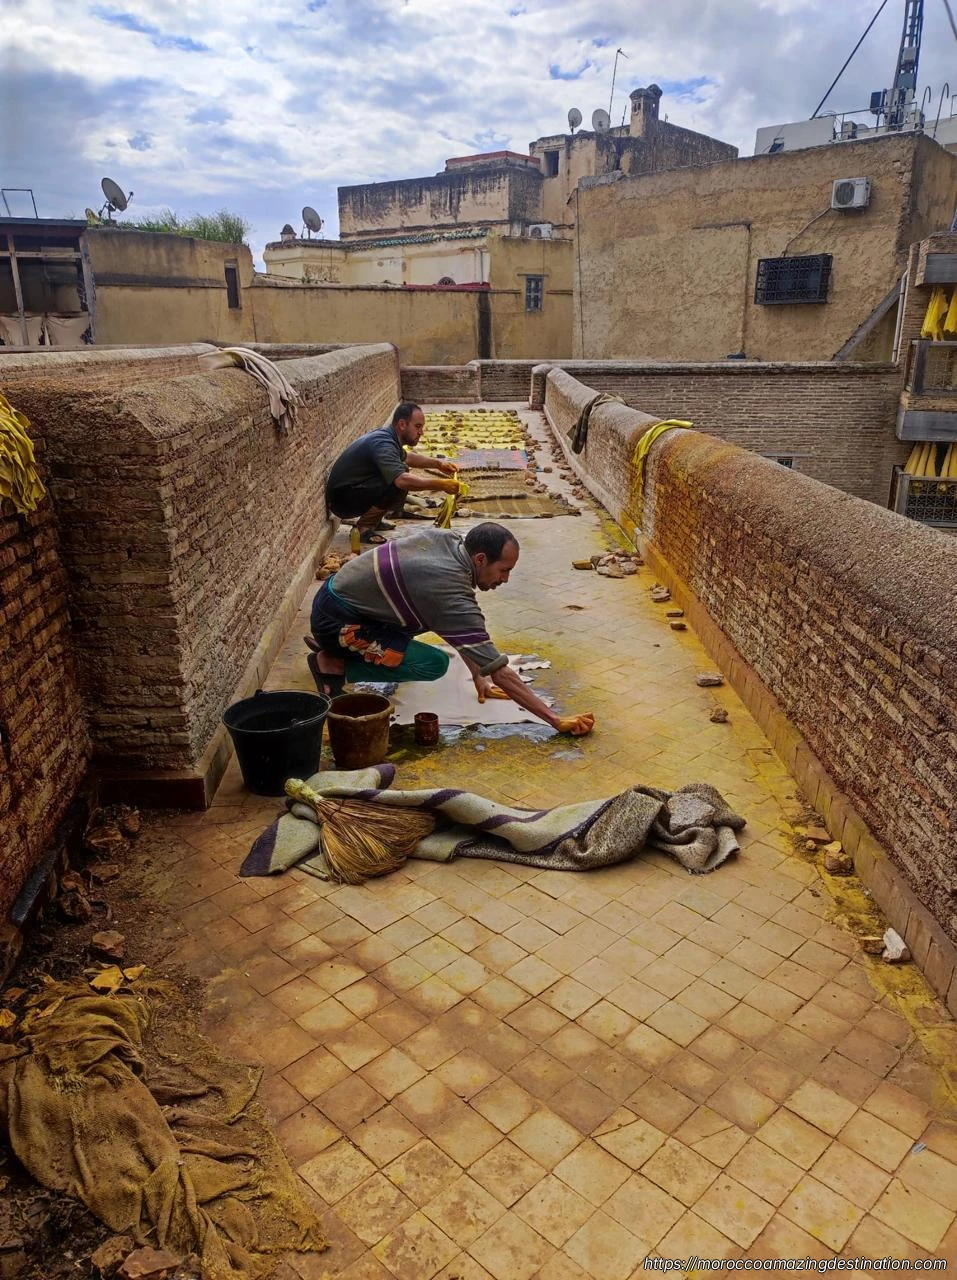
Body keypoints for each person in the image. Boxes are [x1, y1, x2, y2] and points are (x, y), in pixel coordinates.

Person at [308, 522, 595, 736]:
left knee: (425, 620)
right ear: (480, 559)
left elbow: (459, 629)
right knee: (433, 664)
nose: (505, 579)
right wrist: (555, 720)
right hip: (339, 622)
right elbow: (499, 670)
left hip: (336, 600)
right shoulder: (447, 589)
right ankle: (334, 662)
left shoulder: (450, 542)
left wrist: (478, 676)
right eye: (504, 570)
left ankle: (342, 648)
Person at [325, 401, 460, 549]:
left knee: (400, 471)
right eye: (417, 426)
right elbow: (402, 481)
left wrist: (439, 464)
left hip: (352, 490)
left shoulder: (390, 438)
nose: (421, 432)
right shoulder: (383, 443)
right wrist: (441, 484)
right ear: (402, 424)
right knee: (398, 481)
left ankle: (375, 521)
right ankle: (363, 528)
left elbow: (408, 458)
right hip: (342, 501)